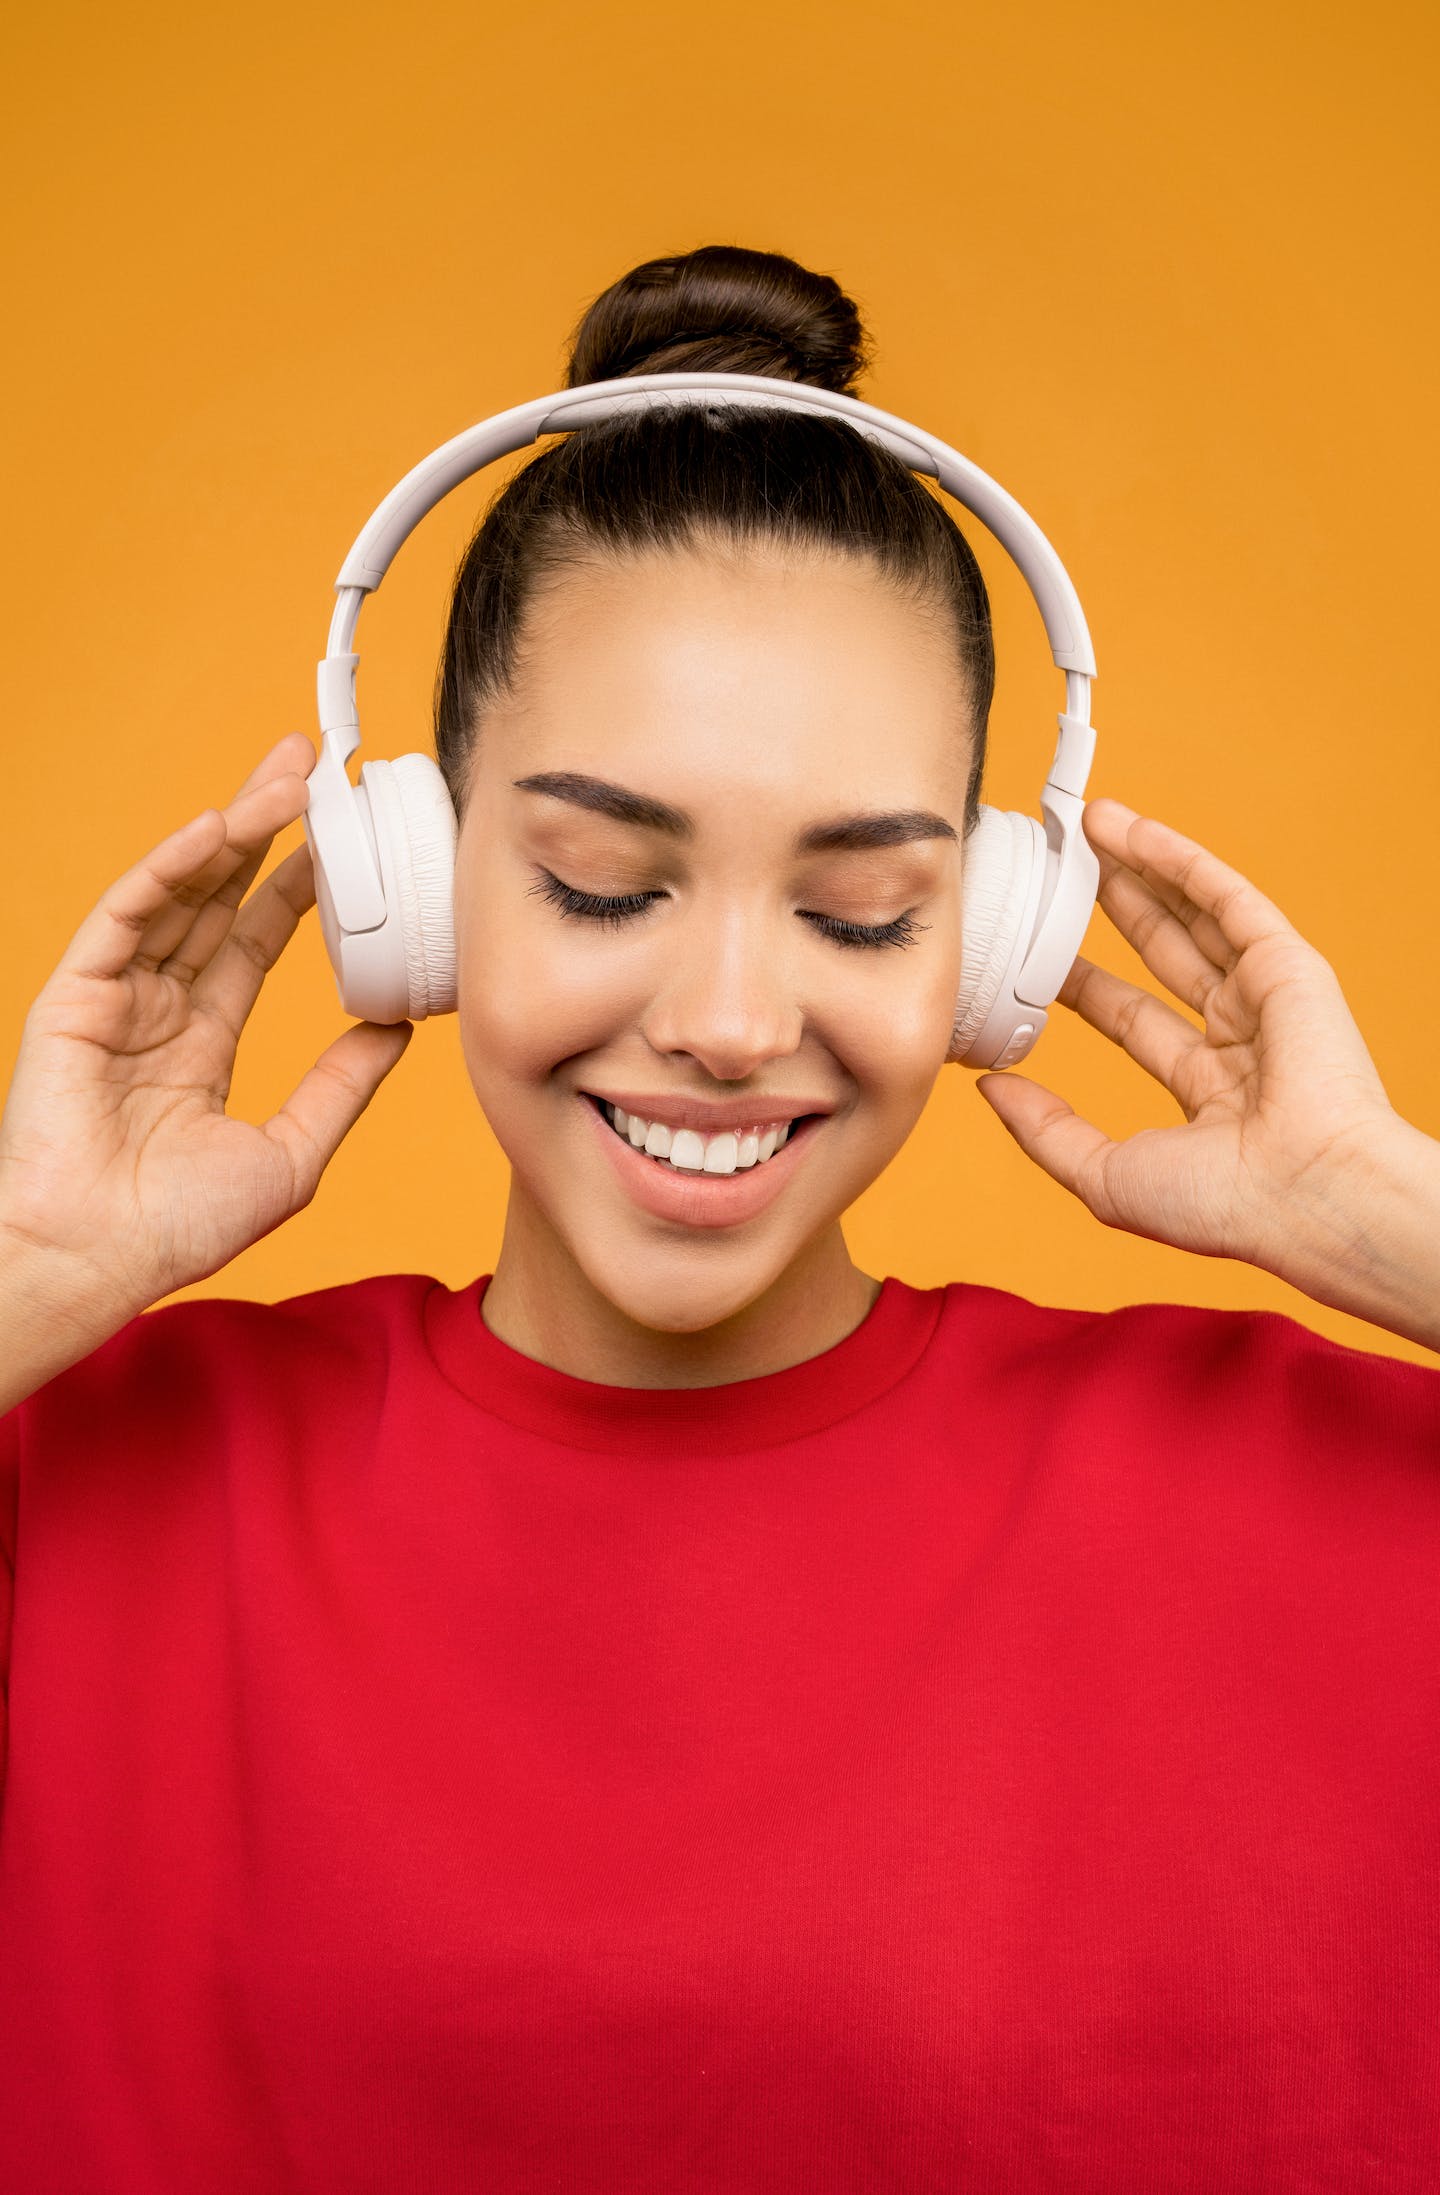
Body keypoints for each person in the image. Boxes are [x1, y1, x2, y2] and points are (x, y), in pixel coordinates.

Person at [1, 244, 1436, 2194]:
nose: (736, 1025)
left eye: (861, 913)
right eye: (601, 882)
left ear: (993, 940)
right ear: (407, 885)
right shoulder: (92, 1478)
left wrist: (1386, 1218)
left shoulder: (1298, 1488)